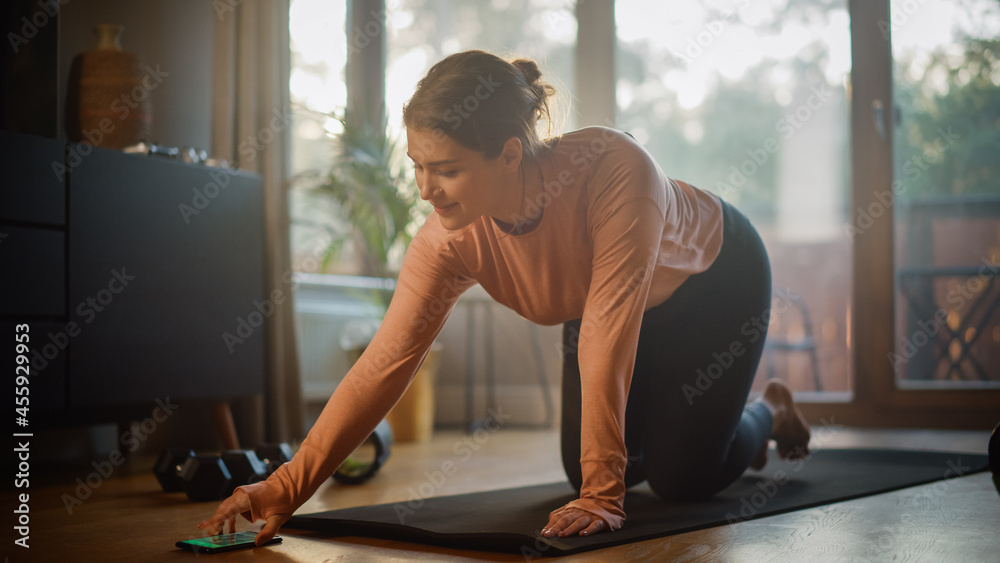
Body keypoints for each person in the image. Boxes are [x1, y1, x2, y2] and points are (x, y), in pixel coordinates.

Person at [198, 49, 811, 543]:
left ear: (510, 154)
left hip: (711, 282)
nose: (425, 191)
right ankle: (672, 433)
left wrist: (605, 495)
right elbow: (383, 364)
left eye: (446, 169)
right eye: (417, 165)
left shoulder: (618, 171)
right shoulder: (445, 240)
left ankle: (769, 411)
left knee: (681, 479)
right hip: (602, 305)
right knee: (585, 466)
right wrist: (285, 486)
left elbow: (605, 332)